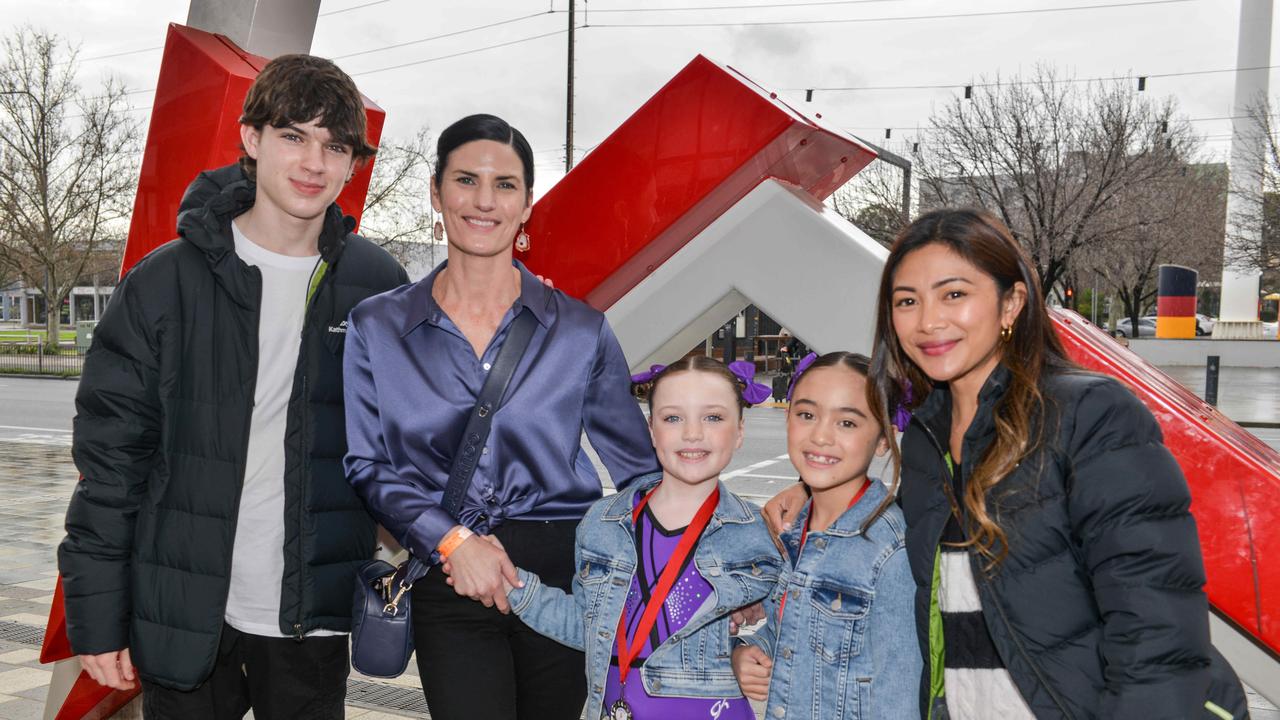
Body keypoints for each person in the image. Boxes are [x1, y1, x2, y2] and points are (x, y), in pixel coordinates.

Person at [767, 208, 1246, 718]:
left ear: (1011, 304)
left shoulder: (1087, 413)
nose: (928, 321)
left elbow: (1157, 626)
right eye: (907, 301)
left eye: (954, 294)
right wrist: (813, 487)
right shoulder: (929, 438)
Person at [58, 54, 408, 719]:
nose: (314, 162)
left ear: (352, 164)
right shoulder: (164, 283)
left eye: (335, 146)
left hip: (311, 616)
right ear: (251, 139)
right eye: (293, 136)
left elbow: (408, 449)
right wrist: (97, 615)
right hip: (187, 611)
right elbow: (110, 466)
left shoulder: (378, 286)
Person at [342, 113, 660, 720]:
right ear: (436, 194)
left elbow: (641, 473)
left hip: (566, 577)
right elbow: (367, 464)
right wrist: (451, 539)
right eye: (466, 180)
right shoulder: (377, 327)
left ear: (527, 205)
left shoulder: (580, 329)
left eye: (506, 184)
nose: (484, 201)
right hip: (448, 568)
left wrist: (710, 560)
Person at [481, 356, 780, 720]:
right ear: (652, 429)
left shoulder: (756, 535)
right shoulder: (603, 524)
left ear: (740, 431)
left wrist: (747, 649)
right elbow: (588, 627)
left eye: (713, 417)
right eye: (673, 418)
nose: (692, 433)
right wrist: (511, 581)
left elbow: (793, 624)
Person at [732, 351, 920, 720]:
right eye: (806, 415)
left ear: (884, 439)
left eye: (847, 423)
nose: (820, 435)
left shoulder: (891, 553)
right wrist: (746, 652)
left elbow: (898, 697)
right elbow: (796, 637)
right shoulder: (794, 528)